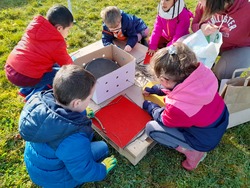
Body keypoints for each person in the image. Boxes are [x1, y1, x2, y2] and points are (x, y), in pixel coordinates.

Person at [18, 64, 117, 187]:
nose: (90, 101)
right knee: (102, 147)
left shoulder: (41, 101)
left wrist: (83, 112)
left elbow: (61, 111)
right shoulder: (73, 139)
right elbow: (83, 173)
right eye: (89, 98)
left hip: (40, 169)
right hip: (57, 180)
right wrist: (102, 169)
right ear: (76, 103)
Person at [142, 42, 229, 171]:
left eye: (159, 81)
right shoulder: (202, 74)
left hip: (203, 141)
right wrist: (155, 89)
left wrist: (150, 106)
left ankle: (193, 152)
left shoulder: (177, 107)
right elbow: (175, 88)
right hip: (217, 124)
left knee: (151, 129)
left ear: (164, 80)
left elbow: (164, 119)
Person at [5, 4, 74, 100]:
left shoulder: (36, 27)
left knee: (52, 65)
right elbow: (68, 65)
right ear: (59, 28)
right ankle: (33, 96)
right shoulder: (57, 44)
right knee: (62, 75)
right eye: (68, 30)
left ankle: (25, 90)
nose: (68, 33)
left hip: (10, 68)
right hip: (24, 77)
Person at [191, 0, 250, 80]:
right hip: (212, 44)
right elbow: (194, 25)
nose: (199, 1)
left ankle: (219, 84)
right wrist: (201, 27)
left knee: (222, 72)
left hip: (238, 48)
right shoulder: (203, 4)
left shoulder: (246, 7)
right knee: (187, 60)